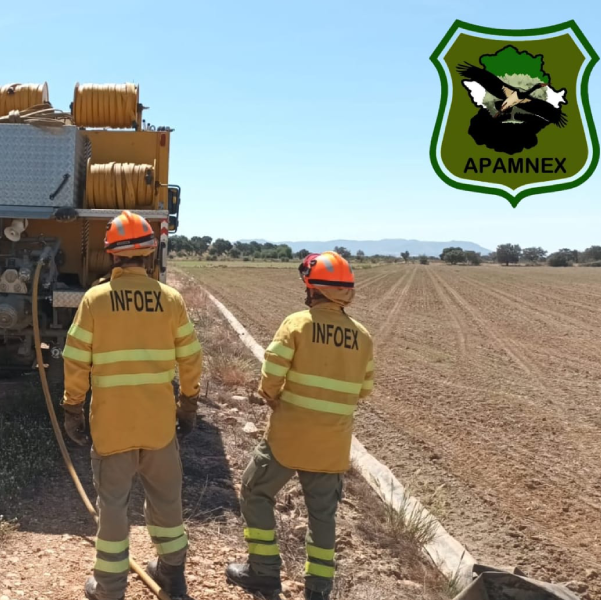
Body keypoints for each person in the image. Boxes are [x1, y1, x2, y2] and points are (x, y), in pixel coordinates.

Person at [62, 210, 204, 600]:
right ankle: (173, 577)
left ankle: (109, 587)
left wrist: (72, 407)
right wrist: (188, 403)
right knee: (167, 502)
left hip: (112, 427)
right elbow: (191, 358)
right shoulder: (170, 300)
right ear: (150, 254)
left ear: (111, 255)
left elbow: (75, 359)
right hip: (159, 425)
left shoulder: (96, 300)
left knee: (113, 507)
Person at [225, 251, 375, 600]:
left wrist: (270, 396)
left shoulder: (298, 324)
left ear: (312, 287)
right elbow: (364, 390)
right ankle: (318, 590)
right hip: (332, 445)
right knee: (322, 517)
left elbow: (271, 375)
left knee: (255, 491)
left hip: (288, 439)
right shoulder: (363, 337)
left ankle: (263, 572)